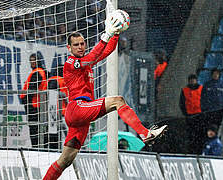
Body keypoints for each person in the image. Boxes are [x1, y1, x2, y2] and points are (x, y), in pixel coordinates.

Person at [43, 18, 167, 180]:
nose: (80, 47)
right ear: (69, 48)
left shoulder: (85, 62)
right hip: (77, 109)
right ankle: (145, 134)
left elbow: (106, 52)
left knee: (65, 160)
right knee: (118, 101)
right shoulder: (71, 62)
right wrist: (106, 35)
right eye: (76, 45)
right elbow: (93, 56)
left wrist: (115, 35)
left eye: (82, 44)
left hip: (82, 117)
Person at [20, 53, 48, 148]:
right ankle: (36, 146)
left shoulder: (38, 72)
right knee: (34, 127)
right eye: (31, 60)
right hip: (34, 103)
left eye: (34, 60)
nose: (32, 62)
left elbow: (33, 88)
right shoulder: (39, 71)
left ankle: (36, 147)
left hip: (34, 104)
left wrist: (25, 98)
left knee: (34, 127)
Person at [179, 74, 205, 154]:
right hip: (189, 116)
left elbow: (204, 100)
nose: (192, 81)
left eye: (193, 80)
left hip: (199, 115)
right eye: (191, 80)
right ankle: (191, 151)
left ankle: (199, 151)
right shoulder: (185, 90)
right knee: (191, 135)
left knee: (199, 134)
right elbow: (182, 103)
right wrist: (185, 113)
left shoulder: (201, 89)